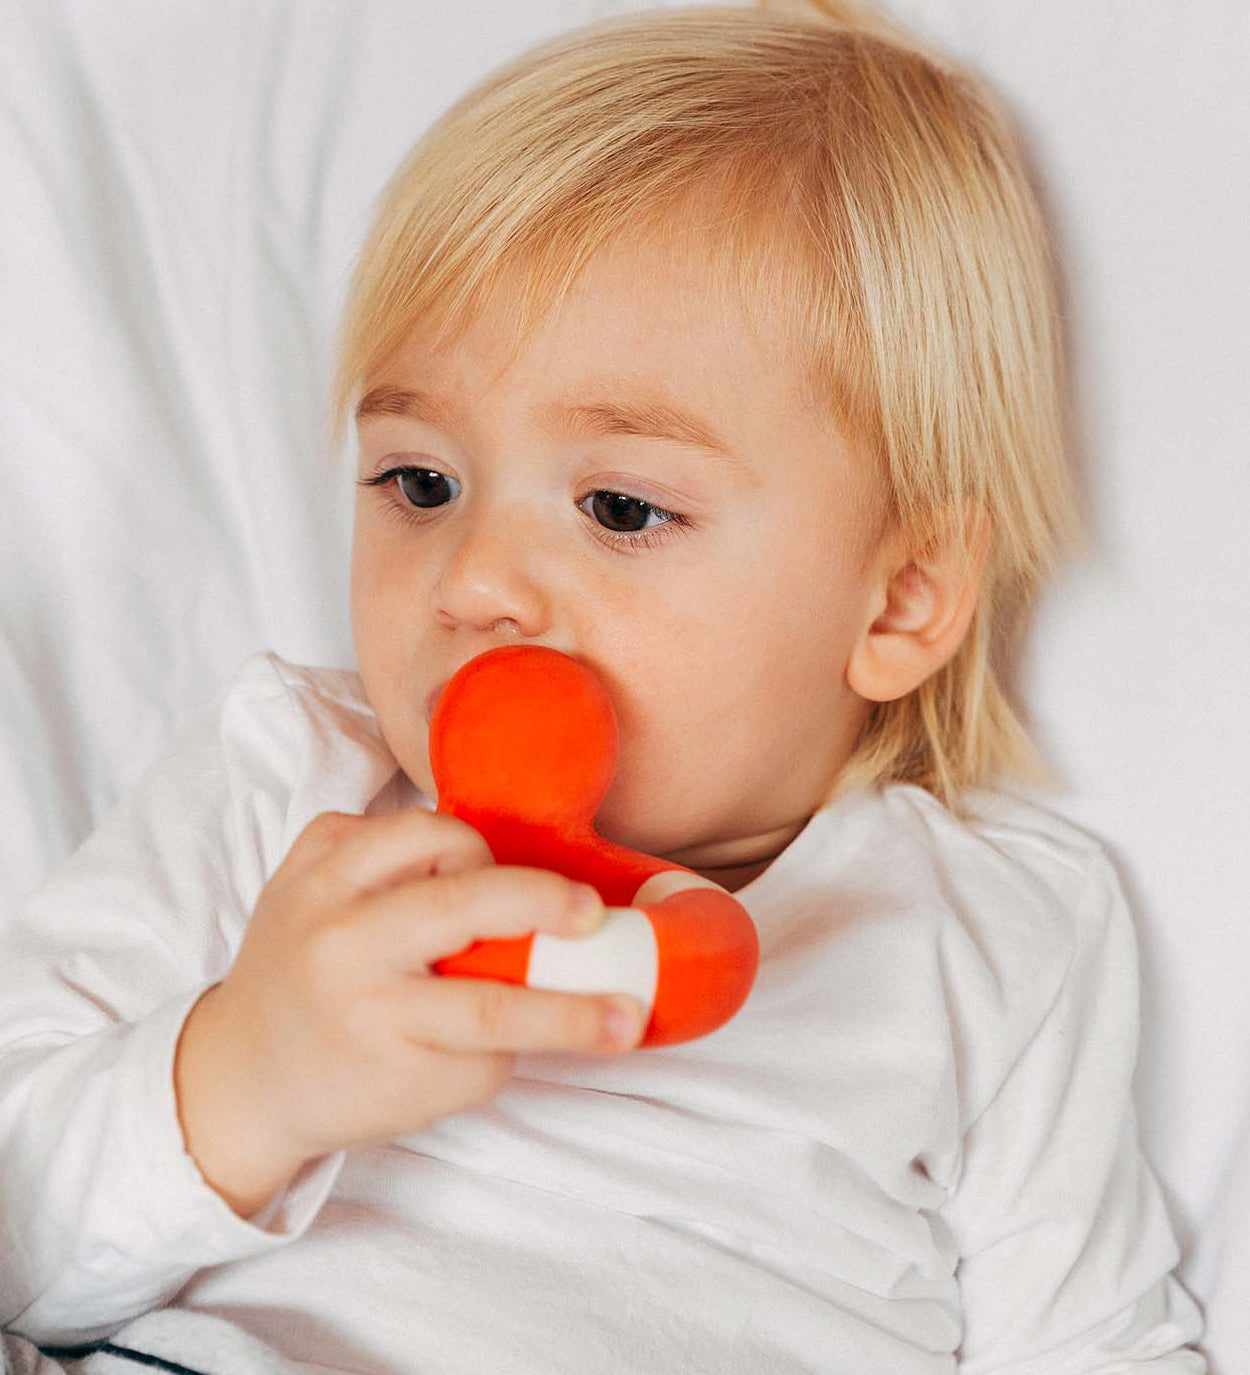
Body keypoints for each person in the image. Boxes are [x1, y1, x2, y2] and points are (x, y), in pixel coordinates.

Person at [0, 3, 1207, 1371]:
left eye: (620, 508)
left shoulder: (992, 935)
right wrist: (238, 1081)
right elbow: (18, 1232)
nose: (474, 580)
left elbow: (1094, 1342)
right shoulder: (297, 792)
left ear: (899, 600)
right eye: (420, 483)